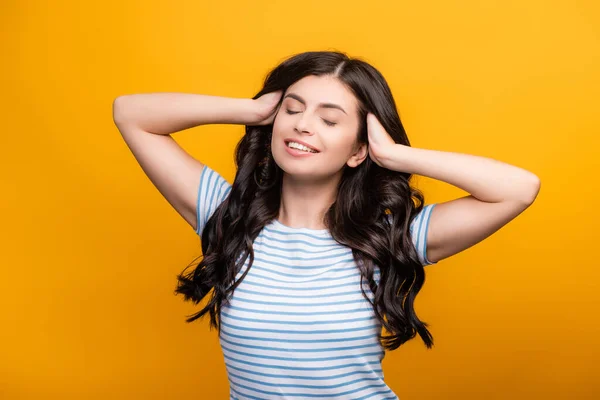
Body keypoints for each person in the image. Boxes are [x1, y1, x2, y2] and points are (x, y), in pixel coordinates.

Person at [112, 51, 540, 399]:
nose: (302, 124)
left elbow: (518, 188)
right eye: (292, 110)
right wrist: (254, 108)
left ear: (358, 150)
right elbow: (130, 113)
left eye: (329, 120)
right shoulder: (225, 216)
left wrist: (393, 156)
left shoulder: (388, 237)